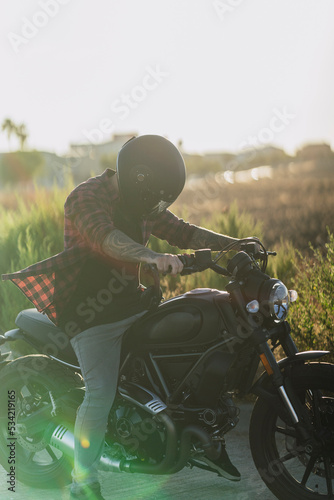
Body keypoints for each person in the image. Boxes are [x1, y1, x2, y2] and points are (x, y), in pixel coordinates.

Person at [3, 135, 246, 500]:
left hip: (132, 303)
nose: (157, 207)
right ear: (138, 179)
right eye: (156, 199)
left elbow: (182, 231)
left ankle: (188, 431)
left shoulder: (143, 202)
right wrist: (150, 257)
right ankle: (82, 484)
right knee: (100, 393)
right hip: (90, 313)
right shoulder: (86, 197)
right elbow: (105, 238)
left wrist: (236, 244)